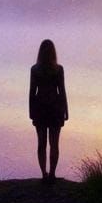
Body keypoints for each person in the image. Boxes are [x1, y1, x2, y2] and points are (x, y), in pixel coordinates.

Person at [29, 38, 68, 183]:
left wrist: (31, 112)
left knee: (41, 143)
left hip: (39, 108)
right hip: (55, 108)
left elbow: (32, 92)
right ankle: (52, 174)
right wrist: (66, 110)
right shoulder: (58, 69)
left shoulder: (34, 69)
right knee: (54, 143)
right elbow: (62, 91)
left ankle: (44, 174)